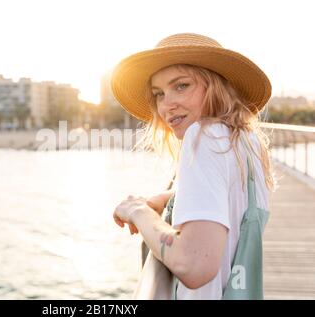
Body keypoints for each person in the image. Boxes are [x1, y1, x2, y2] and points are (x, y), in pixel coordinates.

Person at [111, 33, 276, 299]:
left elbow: (194, 264)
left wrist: (139, 212)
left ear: (216, 86)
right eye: (159, 94)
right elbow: (228, 199)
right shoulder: (247, 142)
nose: (167, 104)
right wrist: (170, 199)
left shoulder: (203, 136)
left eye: (182, 86)